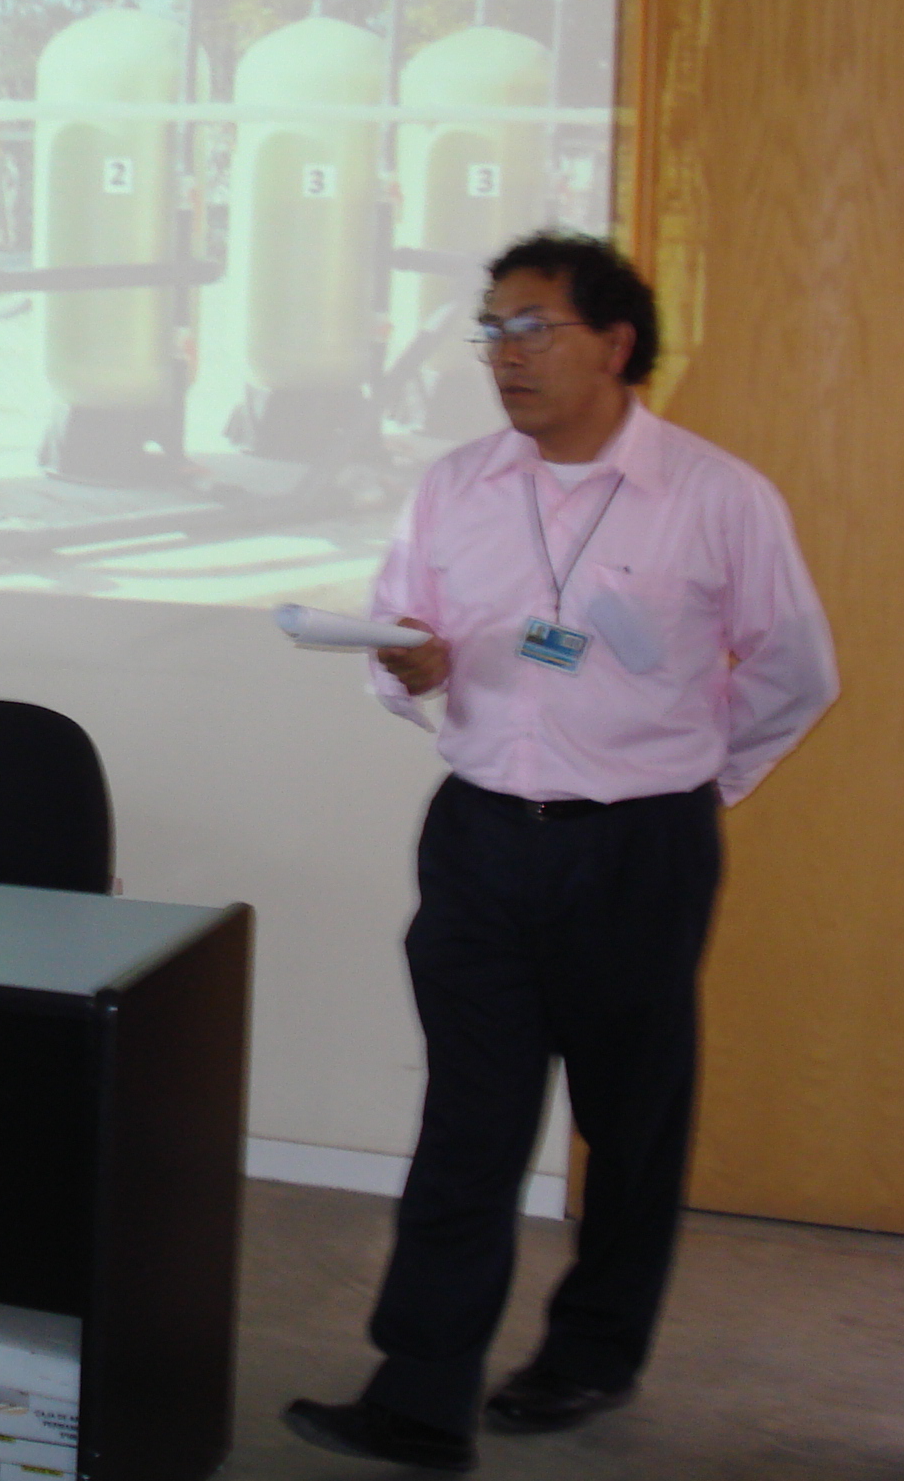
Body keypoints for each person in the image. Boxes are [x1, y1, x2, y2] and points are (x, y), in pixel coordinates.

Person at [284, 233, 837, 1472]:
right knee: (470, 1124)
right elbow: (403, 628)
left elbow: (797, 675)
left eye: (532, 327)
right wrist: (407, 664)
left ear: (615, 343)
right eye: (492, 331)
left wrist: (692, 783)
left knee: (629, 1121)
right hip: (479, 838)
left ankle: (592, 1353)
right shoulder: (457, 486)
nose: (505, 356)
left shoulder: (716, 495)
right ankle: (420, 1394)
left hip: (639, 851)